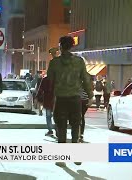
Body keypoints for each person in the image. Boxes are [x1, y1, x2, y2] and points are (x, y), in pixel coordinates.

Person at [47, 36, 93, 166]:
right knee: (75, 127)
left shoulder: (54, 63)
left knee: (61, 128)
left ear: (60, 47)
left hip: (61, 99)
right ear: (72, 46)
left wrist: (53, 57)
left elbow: (50, 79)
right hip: (75, 99)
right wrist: (90, 95)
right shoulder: (79, 61)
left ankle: (61, 158)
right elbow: (86, 79)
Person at [80, 73, 93, 142]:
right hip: (85, 101)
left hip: (80, 100)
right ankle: (81, 133)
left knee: (80, 116)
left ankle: (80, 133)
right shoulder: (88, 83)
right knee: (81, 117)